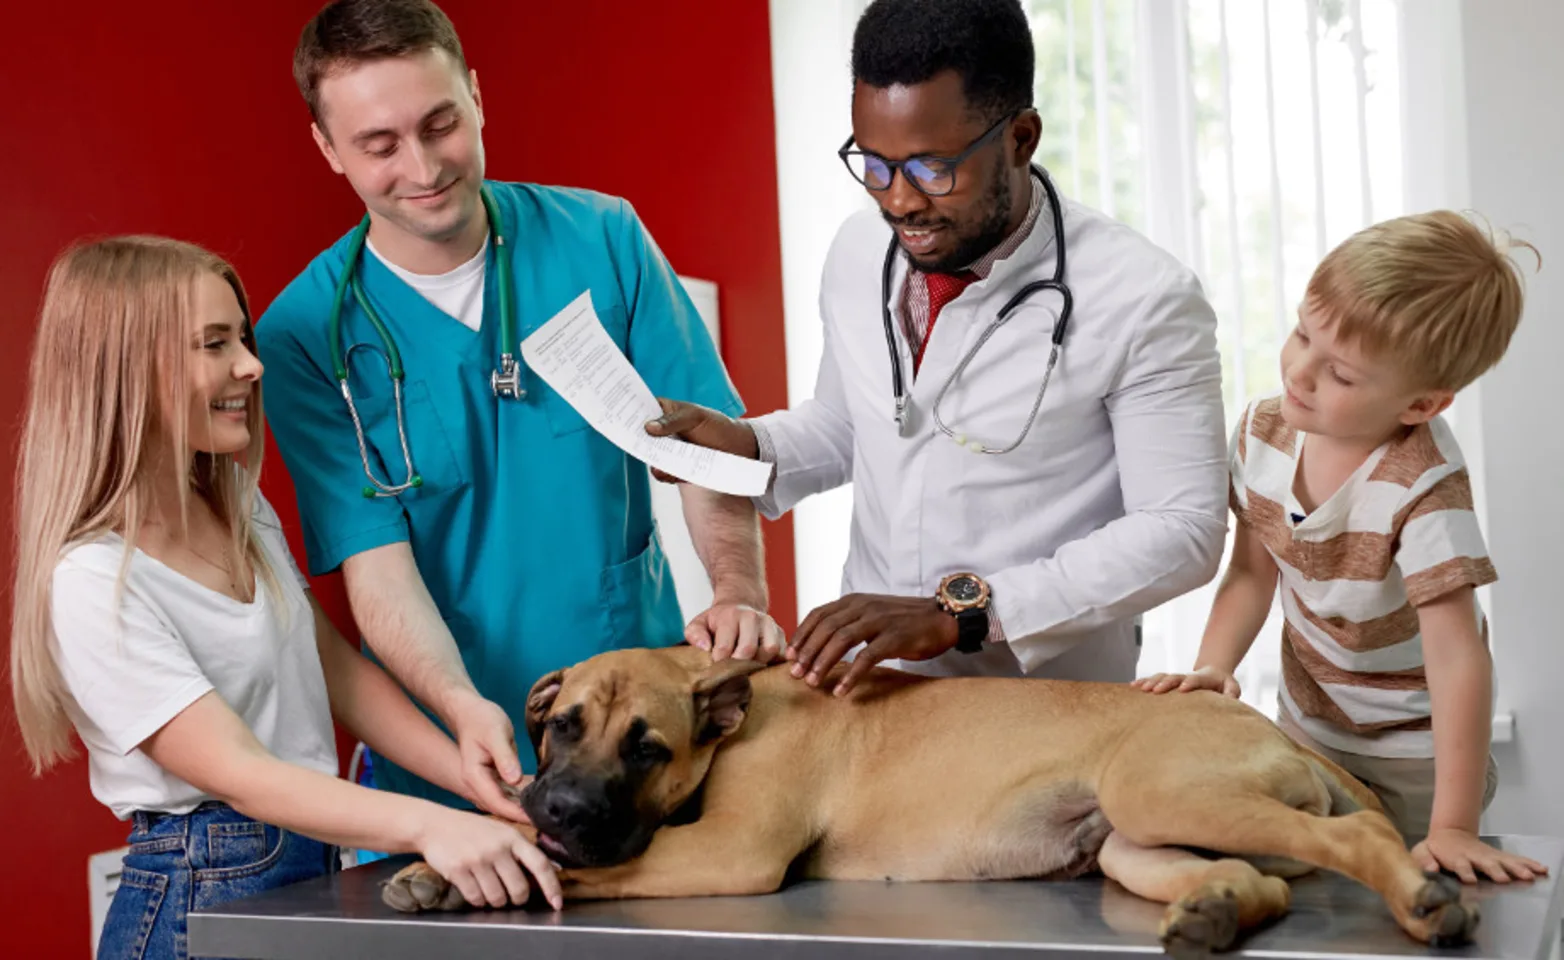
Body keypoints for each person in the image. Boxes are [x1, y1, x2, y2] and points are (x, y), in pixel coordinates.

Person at [257, 0, 781, 820]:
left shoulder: (603, 239)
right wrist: (463, 712)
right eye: (380, 145)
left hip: (640, 750)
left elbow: (703, 451)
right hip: (455, 756)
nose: (424, 166)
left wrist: (738, 588)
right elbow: (377, 571)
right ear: (328, 148)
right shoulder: (303, 334)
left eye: (441, 123)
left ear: (475, 94)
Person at [648, 0, 1227, 694]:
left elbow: (1183, 530)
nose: (897, 202)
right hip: (873, 690)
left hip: (1042, 707)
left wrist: (965, 612)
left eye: (930, 169)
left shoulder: (1144, 296)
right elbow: (849, 426)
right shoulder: (861, 251)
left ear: (1020, 138)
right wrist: (746, 445)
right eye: (873, 164)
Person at [8, 238, 563, 960]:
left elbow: (330, 666)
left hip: (305, 870)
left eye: (241, 337)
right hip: (195, 895)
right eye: (215, 343)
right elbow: (246, 774)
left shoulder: (236, 501)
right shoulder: (90, 582)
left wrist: (470, 774)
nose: (251, 363)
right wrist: (433, 825)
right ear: (124, 371)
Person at [1134, 211, 1549, 884]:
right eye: (1302, 332)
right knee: (1304, 884)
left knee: (1405, 896)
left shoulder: (1423, 485)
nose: (1300, 371)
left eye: (1342, 374)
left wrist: (1453, 826)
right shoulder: (1264, 433)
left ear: (1420, 406)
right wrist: (1214, 668)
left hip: (1414, 755)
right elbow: (1250, 571)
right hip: (1306, 727)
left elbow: (1457, 655)